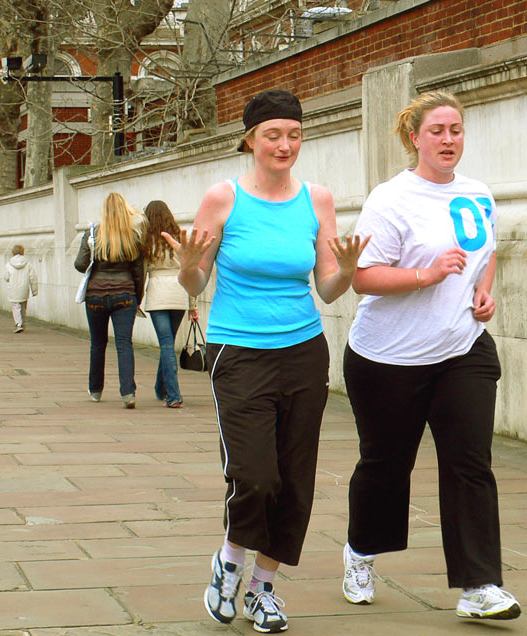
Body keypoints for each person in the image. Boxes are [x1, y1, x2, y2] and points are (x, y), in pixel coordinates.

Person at [164, 89, 367, 633]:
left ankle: (263, 588)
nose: (285, 145)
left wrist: (347, 271)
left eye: (294, 134)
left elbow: (327, 289)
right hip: (240, 351)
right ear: (250, 139)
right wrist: (186, 265)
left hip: (303, 351)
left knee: (295, 480)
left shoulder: (317, 199)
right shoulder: (223, 197)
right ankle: (230, 560)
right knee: (255, 475)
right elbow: (197, 281)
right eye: (273, 135)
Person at [340, 91, 520, 621]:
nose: (448, 139)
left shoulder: (478, 193)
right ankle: (360, 552)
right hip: (388, 358)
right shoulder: (391, 198)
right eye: (437, 130)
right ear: (414, 137)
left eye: (456, 130)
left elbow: (485, 256)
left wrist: (484, 292)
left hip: (462, 349)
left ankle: (479, 586)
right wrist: (427, 274)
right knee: (386, 466)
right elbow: (362, 276)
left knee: (470, 464)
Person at [74, 192, 145, 409]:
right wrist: (137, 298)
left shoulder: (92, 234)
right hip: (124, 294)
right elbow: (139, 272)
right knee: (124, 344)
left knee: (98, 343)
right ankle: (128, 393)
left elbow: (79, 264)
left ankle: (95, 389)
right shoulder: (133, 236)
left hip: (96, 295)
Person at [140, 200, 198, 408]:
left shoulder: (147, 242)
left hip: (158, 293)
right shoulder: (180, 239)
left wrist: (137, 299)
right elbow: (190, 272)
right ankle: (161, 388)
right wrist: (193, 305)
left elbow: (142, 273)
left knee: (166, 344)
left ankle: (174, 395)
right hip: (178, 293)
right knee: (168, 342)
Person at [4, 244, 38, 333]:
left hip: (13, 289)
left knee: (16, 306)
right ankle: (23, 322)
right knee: (23, 306)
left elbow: (6, 277)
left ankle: (18, 323)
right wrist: (34, 291)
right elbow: (33, 278)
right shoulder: (28, 264)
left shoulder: (9, 264)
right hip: (24, 288)